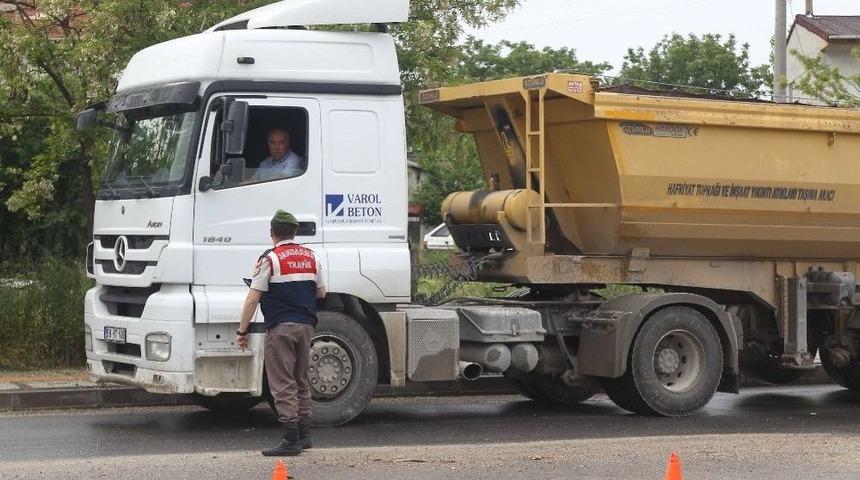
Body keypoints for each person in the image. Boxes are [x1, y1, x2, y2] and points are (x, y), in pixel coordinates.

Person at [235, 210, 326, 457]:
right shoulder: (311, 257)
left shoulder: (270, 259)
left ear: (272, 232)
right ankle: (305, 436)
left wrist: (242, 330)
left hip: (281, 328)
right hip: (306, 326)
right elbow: (322, 293)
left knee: (282, 383)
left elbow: (253, 298)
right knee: (301, 380)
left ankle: (290, 440)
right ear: (294, 232)